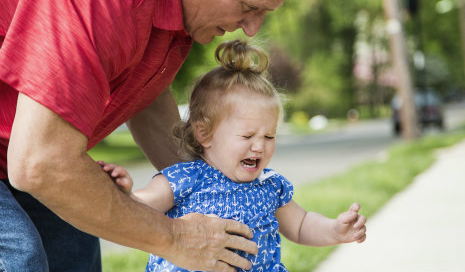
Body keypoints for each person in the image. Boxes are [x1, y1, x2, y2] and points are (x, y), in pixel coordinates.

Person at [0, 0, 300, 271]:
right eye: (248, 6)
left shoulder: (180, 14)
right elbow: (40, 164)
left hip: (20, 153)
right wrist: (175, 238)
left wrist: (212, 189)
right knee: (20, 257)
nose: (251, 29)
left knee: (75, 252)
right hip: (31, 156)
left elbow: (146, 98)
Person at [99, 40, 368, 272]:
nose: (259, 146)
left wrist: (335, 230)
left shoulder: (270, 185)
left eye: (269, 137)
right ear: (205, 134)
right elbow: (144, 206)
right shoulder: (185, 178)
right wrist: (127, 192)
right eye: (247, 136)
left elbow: (301, 225)